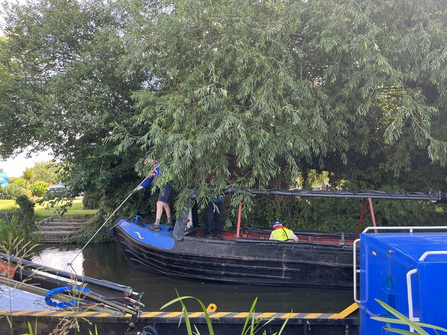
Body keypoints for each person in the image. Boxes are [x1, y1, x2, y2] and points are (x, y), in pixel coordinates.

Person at [136, 159, 173, 231]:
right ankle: (169, 221)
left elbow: (160, 172)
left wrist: (153, 174)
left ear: (150, 160)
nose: (147, 165)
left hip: (167, 184)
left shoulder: (158, 163)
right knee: (165, 203)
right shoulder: (152, 170)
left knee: (159, 203)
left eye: (147, 163)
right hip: (165, 185)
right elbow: (147, 182)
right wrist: (136, 189)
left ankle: (156, 225)